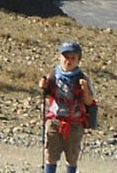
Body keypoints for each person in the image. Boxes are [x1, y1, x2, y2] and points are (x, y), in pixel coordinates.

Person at [39, 40, 97, 173]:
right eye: (66, 57)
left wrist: (85, 89)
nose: (68, 61)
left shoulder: (83, 78)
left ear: (78, 60)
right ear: (59, 57)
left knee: (72, 157)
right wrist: (43, 85)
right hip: (55, 120)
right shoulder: (53, 74)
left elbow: (89, 102)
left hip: (75, 124)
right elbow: (46, 91)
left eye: (73, 58)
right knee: (50, 155)